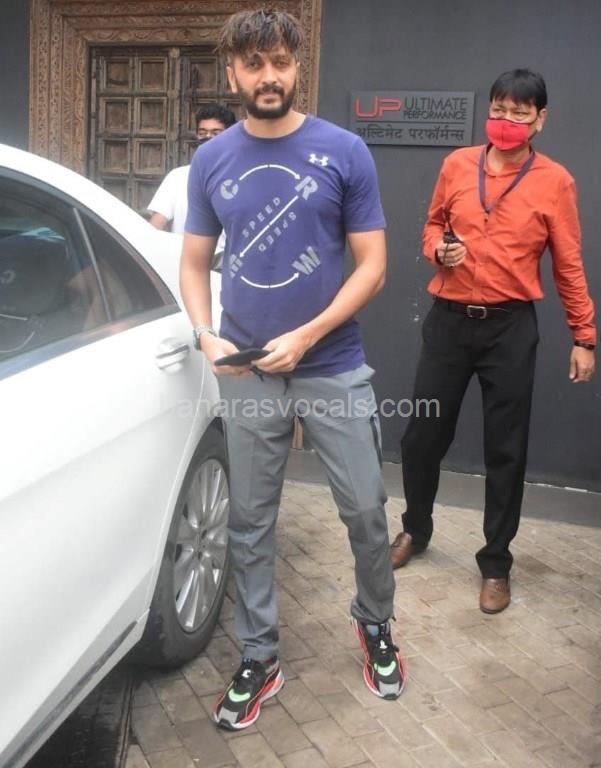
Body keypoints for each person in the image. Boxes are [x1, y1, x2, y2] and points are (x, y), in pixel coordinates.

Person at [179, 8, 405, 731]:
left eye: (280, 61)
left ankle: (374, 621)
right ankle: (259, 654)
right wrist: (206, 336)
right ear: (233, 71)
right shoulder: (212, 160)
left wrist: (307, 336)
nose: (268, 76)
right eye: (254, 64)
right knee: (249, 520)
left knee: (365, 509)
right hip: (249, 370)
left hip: (331, 362)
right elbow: (193, 263)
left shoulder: (344, 150)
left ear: (297, 65)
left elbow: (372, 266)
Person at [391, 69, 596, 614]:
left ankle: (496, 563)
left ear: (540, 120)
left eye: (519, 113)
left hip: (510, 328)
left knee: (506, 450)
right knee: (421, 437)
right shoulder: (457, 165)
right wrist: (438, 250)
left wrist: (584, 336)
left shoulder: (556, 181)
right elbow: (431, 226)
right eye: (499, 110)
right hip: (450, 322)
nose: (507, 121)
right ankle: (415, 528)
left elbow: (569, 264)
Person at [148, 103, 236, 266]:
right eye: (202, 133)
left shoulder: (240, 178)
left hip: (224, 267)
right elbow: (155, 225)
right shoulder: (178, 177)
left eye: (216, 133)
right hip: (184, 264)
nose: (208, 137)